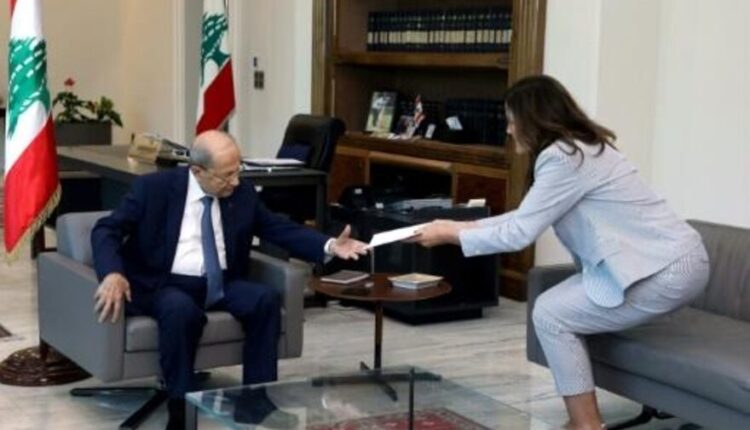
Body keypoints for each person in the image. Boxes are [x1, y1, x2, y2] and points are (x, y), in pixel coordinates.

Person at [410, 75, 709, 430]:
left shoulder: (563, 158)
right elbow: (525, 217)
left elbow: (519, 233)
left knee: (551, 314)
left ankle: (585, 425)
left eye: (512, 120)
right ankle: (582, 422)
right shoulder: (582, 147)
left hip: (667, 271)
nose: (508, 130)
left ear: (533, 119)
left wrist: (450, 234)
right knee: (552, 307)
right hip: (674, 260)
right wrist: (460, 226)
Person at [91, 130, 368, 430]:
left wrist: (329, 245)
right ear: (197, 171)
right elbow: (106, 230)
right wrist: (113, 273)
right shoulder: (153, 189)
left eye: (238, 171)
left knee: (264, 300)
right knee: (179, 309)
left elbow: (277, 228)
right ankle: (180, 409)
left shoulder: (241, 193)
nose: (235, 182)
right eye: (226, 176)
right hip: (165, 284)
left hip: (221, 282)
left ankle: (255, 405)